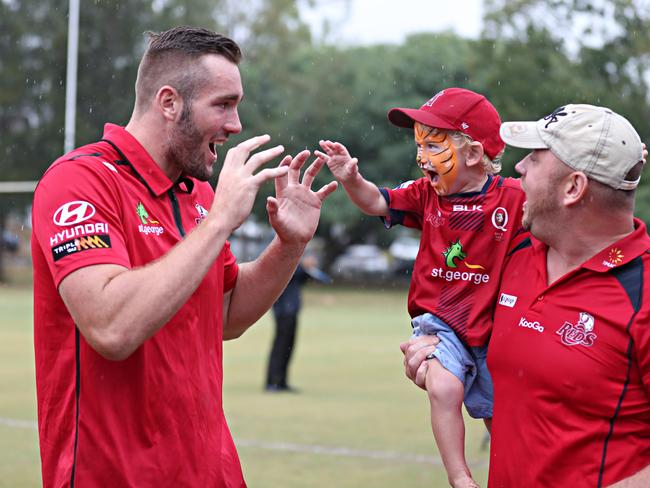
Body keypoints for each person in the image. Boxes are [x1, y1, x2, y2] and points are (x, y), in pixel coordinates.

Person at [30, 26, 337, 487]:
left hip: (210, 472)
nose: (235, 124)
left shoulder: (197, 193)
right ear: (169, 102)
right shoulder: (79, 182)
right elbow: (111, 328)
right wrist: (218, 223)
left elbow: (226, 314)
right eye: (223, 103)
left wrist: (288, 245)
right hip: (115, 476)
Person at [402, 104, 650, 487]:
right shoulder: (510, 258)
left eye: (534, 159)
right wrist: (441, 360)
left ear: (573, 188)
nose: (518, 169)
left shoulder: (643, 293)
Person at [318, 88, 526, 488]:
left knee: (500, 414)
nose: (420, 158)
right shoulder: (425, 194)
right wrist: (351, 178)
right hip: (442, 323)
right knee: (444, 387)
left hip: (493, 326)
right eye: (419, 146)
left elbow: (557, 211)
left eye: (433, 146)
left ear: (472, 154)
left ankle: (515, 472)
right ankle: (460, 477)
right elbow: (377, 203)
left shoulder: (513, 199)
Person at [265, 253, 327, 392]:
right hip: (283, 310)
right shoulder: (286, 261)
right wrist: (304, 266)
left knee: (288, 346)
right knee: (280, 346)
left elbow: (305, 277)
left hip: (292, 310)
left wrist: (308, 269)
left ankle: (281, 381)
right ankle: (271, 382)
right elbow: (291, 272)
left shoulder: (297, 264)